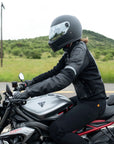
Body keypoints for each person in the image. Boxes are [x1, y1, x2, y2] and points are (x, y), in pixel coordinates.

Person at [14, 15, 106, 144]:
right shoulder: (70, 50)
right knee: (51, 114)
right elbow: (54, 72)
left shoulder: (79, 50)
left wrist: (29, 92)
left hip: (94, 103)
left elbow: (63, 78)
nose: (55, 36)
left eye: (59, 32)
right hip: (83, 98)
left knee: (57, 130)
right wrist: (30, 83)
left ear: (70, 32)